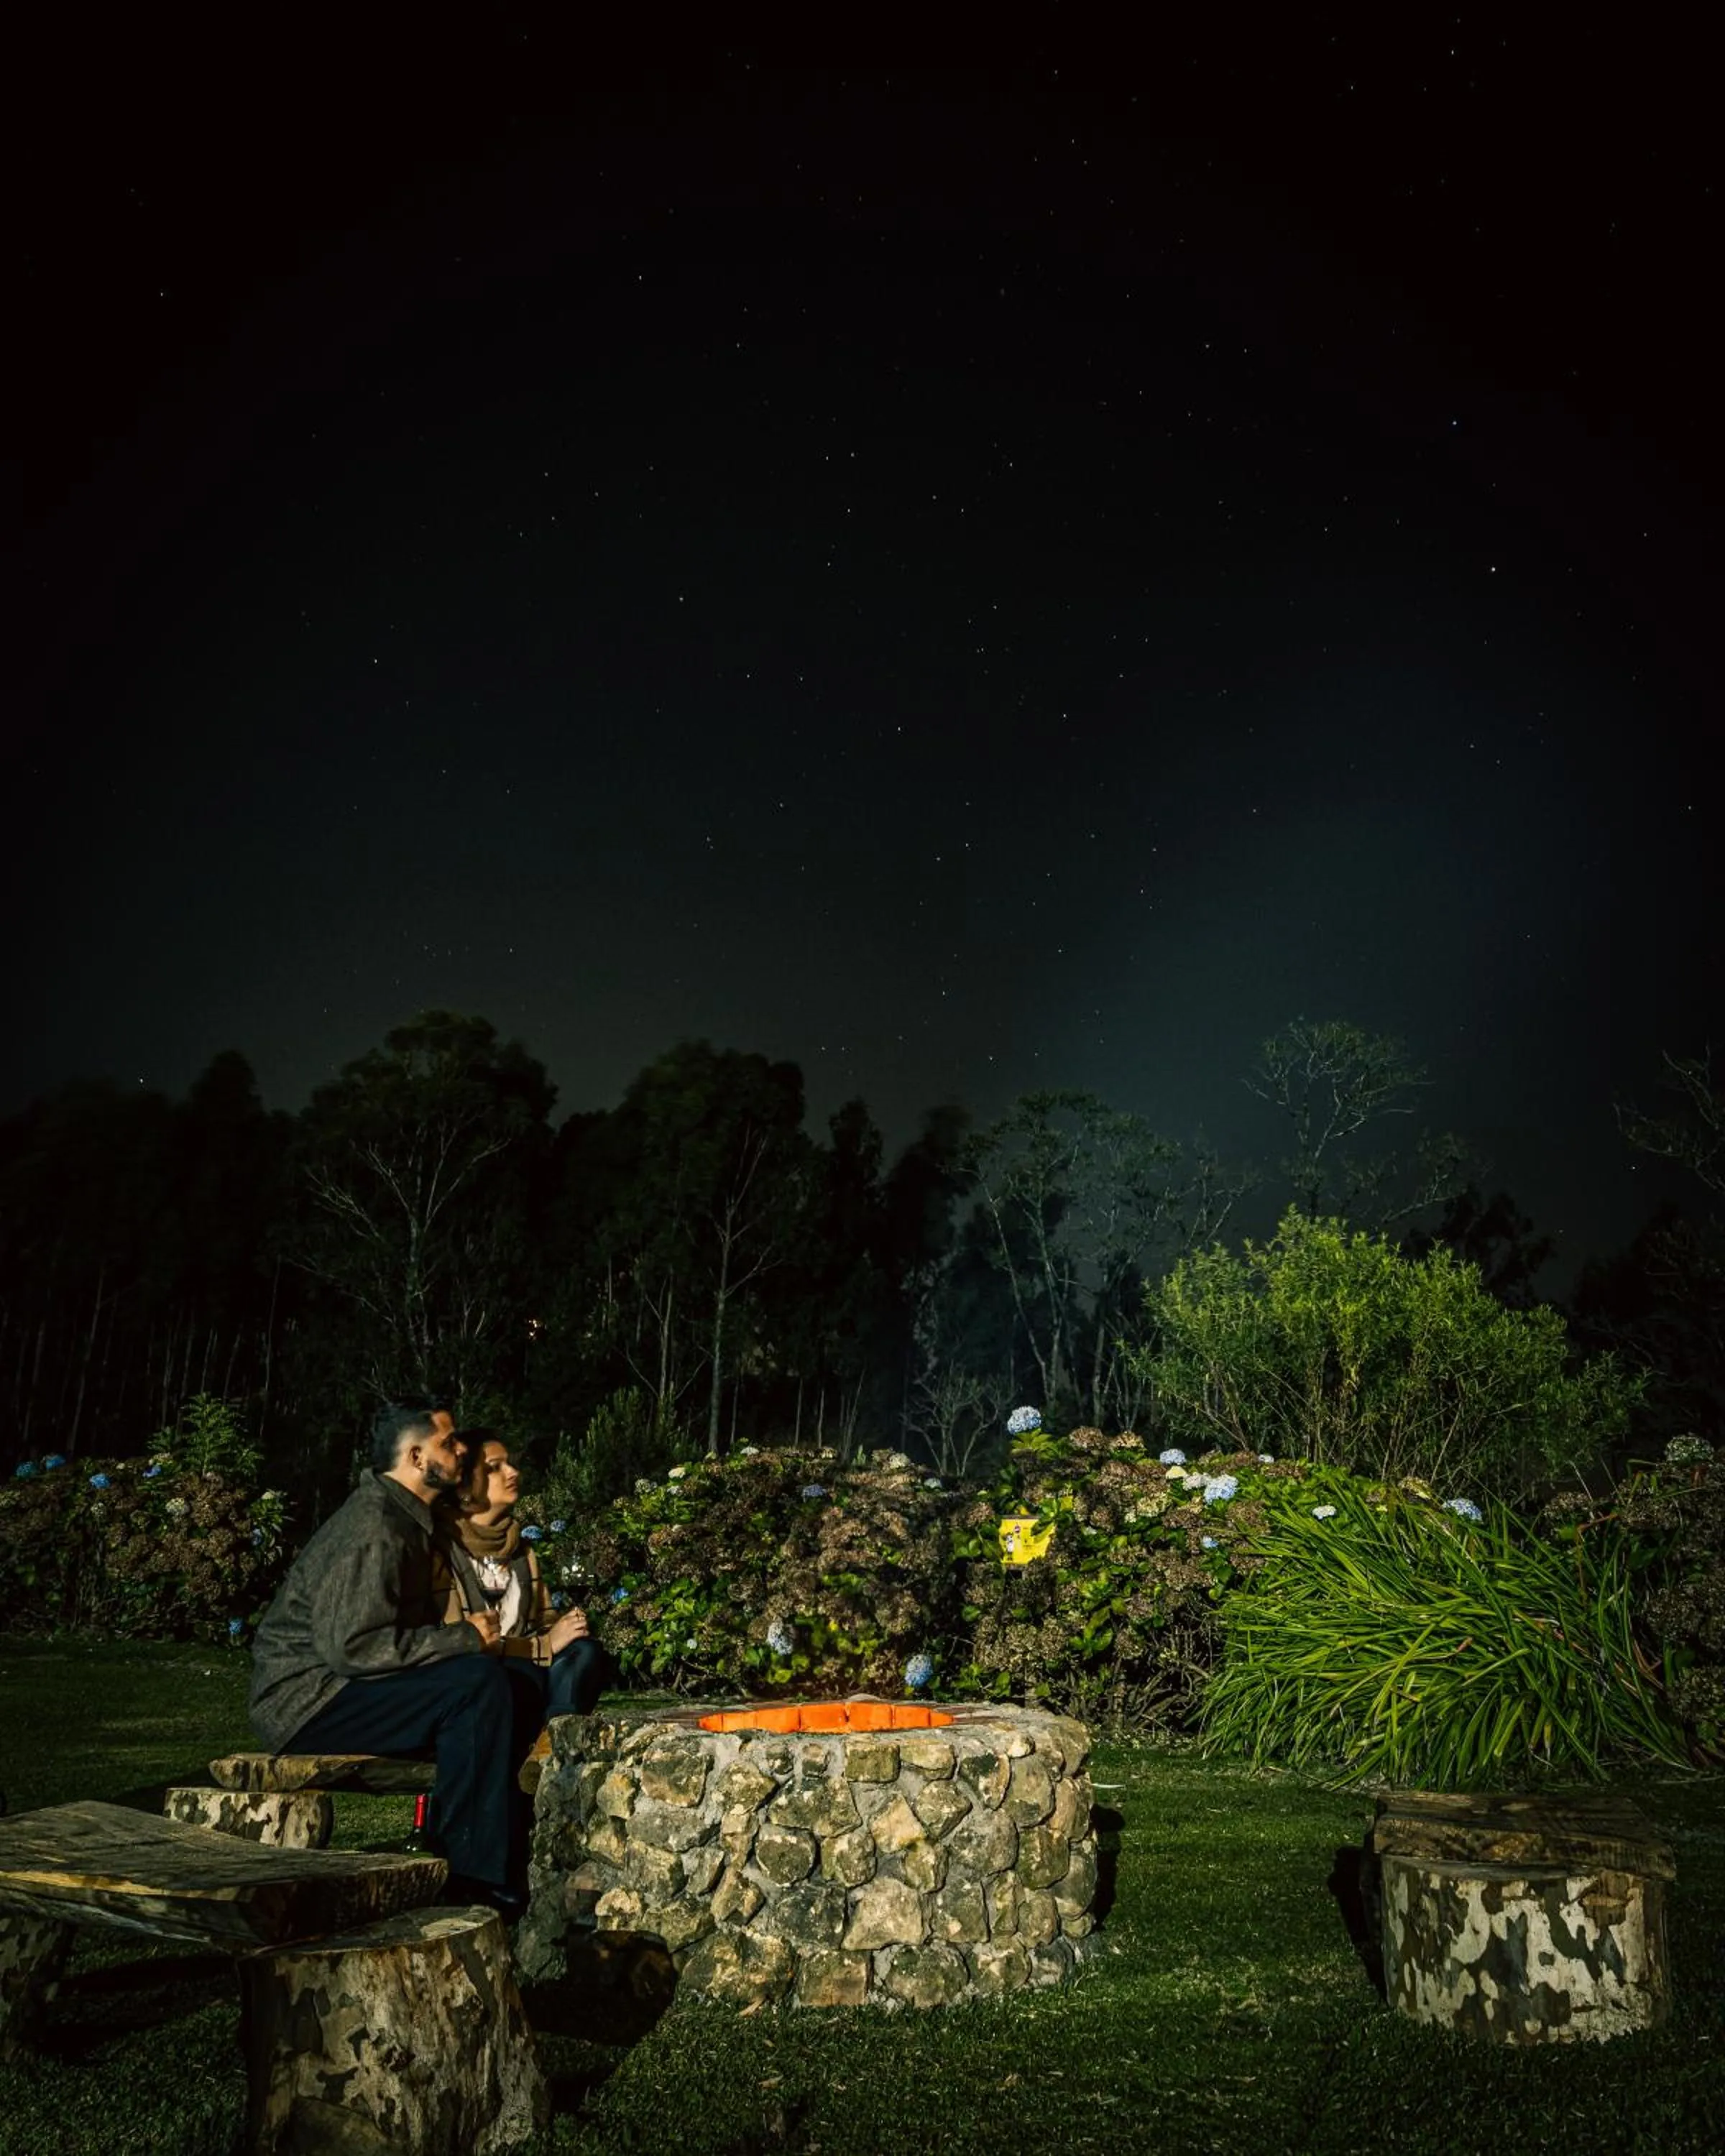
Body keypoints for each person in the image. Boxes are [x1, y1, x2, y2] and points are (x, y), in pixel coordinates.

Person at [247, 1399, 539, 1912]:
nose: (461, 1449)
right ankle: (470, 1879)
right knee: (477, 1685)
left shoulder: (407, 1519)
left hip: (345, 1685)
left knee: (515, 1680)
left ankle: (515, 1851)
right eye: (448, 1443)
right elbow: (354, 1648)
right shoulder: (375, 1527)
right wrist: (465, 1638)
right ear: (415, 1457)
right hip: (309, 1700)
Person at [441, 1431, 610, 1720]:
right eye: (495, 1467)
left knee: (585, 1652)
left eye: (510, 1463)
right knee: (511, 1675)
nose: (513, 1472)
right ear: (465, 1487)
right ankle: (553, 1745)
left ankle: (557, 1739)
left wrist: (564, 1629)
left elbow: (543, 1620)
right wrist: (543, 1646)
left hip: (531, 1660)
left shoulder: (521, 1549)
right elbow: (457, 1640)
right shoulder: (443, 1550)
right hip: (482, 1668)